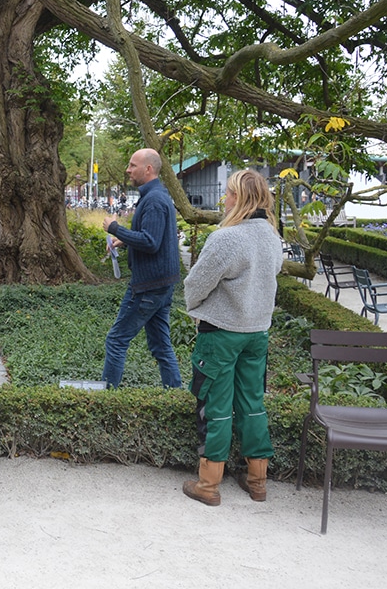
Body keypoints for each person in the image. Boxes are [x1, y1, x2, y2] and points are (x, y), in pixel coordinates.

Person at [181, 169, 284, 506]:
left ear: (238, 198)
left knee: (216, 407)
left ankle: (208, 485)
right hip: (257, 332)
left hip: (221, 334)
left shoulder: (227, 238)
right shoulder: (271, 236)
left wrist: (196, 307)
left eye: (227, 193)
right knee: (253, 404)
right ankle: (258, 480)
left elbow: (196, 285)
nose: (223, 199)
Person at [100, 148, 182, 389]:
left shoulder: (154, 200)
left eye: (132, 165)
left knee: (116, 340)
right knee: (161, 345)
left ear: (148, 169)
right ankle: (175, 393)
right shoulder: (156, 196)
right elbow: (154, 236)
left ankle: (105, 399)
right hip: (162, 283)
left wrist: (116, 229)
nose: (128, 169)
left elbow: (150, 242)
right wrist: (124, 241)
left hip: (148, 286)